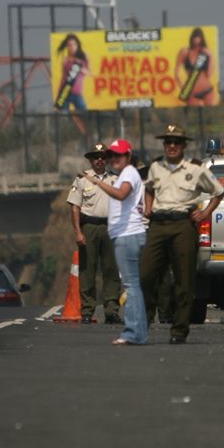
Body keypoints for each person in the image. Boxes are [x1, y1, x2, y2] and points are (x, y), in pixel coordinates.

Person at [140, 123, 224, 344]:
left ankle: (179, 330)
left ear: (184, 146)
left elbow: (218, 191)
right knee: (146, 275)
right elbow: (149, 189)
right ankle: (143, 323)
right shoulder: (156, 168)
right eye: (168, 142)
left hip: (182, 225)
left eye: (177, 142)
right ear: (164, 145)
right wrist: (148, 206)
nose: (172, 146)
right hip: (158, 224)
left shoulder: (195, 169)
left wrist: (205, 212)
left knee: (184, 280)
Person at [79, 138, 147, 345]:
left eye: (119, 155)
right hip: (115, 232)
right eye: (112, 155)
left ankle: (132, 332)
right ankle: (137, 332)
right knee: (131, 284)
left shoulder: (126, 174)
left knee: (130, 285)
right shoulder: (124, 175)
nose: (113, 159)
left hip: (128, 234)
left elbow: (121, 194)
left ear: (128, 156)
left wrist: (96, 182)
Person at [66, 143, 122, 324]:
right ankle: (88, 310)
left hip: (111, 227)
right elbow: (75, 207)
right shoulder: (82, 180)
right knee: (87, 270)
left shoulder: (115, 179)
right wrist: (78, 232)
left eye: (103, 157)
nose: (100, 160)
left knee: (111, 270)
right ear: (91, 160)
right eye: (96, 157)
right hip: (89, 227)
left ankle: (112, 310)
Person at [175, 27, 215, 106]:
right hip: (192, 92)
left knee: (211, 115)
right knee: (192, 115)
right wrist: (183, 88)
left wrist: (211, 56)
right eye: (195, 37)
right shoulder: (185, 52)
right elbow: (176, 72)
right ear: (192, 38)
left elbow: (209, 74)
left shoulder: (205, 52)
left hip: (208, 90)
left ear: (202, 39)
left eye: (199, 37)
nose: (196, 40)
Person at [54, 33, 90, 111]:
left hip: (77, 93)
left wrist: (80, 69)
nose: (72, 47)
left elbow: (89, 72)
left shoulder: (83, 58)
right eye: (69, 45)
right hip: (65, 92)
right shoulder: (65, 60)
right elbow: (63, 78)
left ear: (77, 45)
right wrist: (59, 96)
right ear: (67, 47)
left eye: (74, 44)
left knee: (85, 115)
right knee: (63, 117)